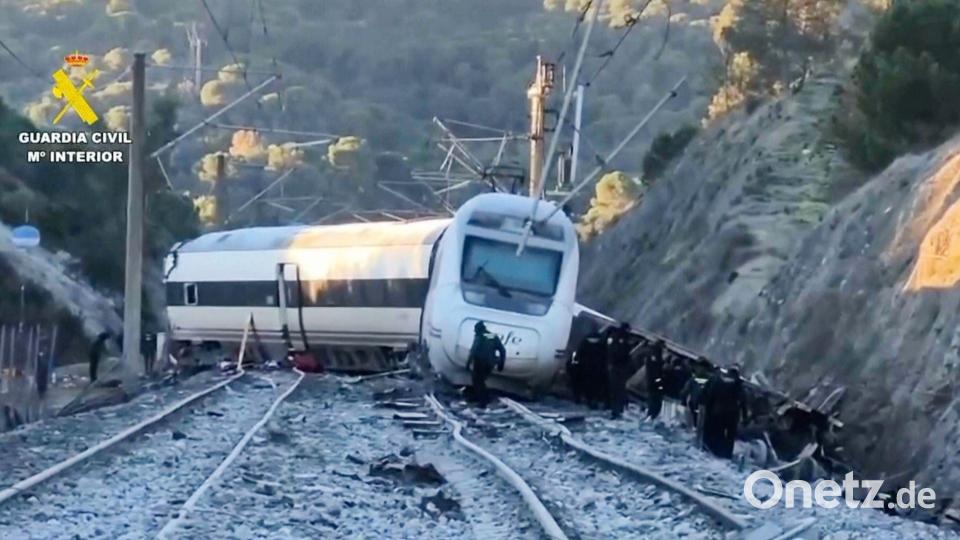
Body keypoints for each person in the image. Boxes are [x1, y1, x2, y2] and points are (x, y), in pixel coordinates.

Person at [701, 364, 748, 459]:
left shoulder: (718, 382)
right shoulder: (739, 384)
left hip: (717, 413)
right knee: (729, 439)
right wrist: (745, 418)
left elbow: (709, 397)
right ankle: (725, 456)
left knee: (715, 435)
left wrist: (708, 412)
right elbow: (743, 402)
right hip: (732, 416)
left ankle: (711, 453)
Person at [465, 321, 506, 407]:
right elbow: (502, 350)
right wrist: (501, 364)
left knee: (477, 381)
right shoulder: (492, 336)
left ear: (479, 329)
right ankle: (481, 398)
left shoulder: (479, 336)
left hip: (480, 362)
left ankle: (483, 401)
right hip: (490, 363)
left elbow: (473, 351)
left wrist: (468, 364)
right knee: (481, 380)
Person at [605, 322, 633, 419]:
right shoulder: (621, 339)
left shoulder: (614, 338)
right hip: (618, 367)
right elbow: (621, 353)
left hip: (616, 366)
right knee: (618, 389)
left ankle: (617, 409)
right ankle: (617, 410)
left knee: (617, 389)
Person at [570, 330, 603, 405]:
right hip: (595, 369)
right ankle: (591, 400)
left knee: (581, 384)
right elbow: (603, 357)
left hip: (584, 367)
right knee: (593, 386)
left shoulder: (584, 343)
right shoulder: (601, 344)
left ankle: (578, 399)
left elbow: (578, 354)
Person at [644, 340, 665, 420]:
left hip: (653, 380)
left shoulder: (653, 353)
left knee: (654, 398)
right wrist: (658, 380)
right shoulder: (655, 355)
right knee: (655, 399)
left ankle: (652, 415)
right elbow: (655, 369)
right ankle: (652, 415)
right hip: (655, 381)